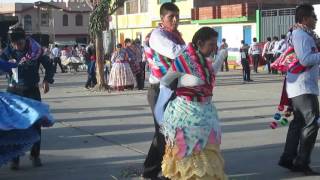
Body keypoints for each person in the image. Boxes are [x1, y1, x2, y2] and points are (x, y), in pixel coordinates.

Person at [159, 27, 227, 180]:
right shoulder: (184, 60)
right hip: (186, 113)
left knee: (206, 151)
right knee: (189, 152)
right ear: (200, 42)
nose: (213, 48)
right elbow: (165, 81)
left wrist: (221, 57)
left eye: (215, 44)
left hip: (206, 113)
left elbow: (209, 76)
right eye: (210, 44)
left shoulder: (204, 62)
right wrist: (161, 106)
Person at [0, 26, 54, 170]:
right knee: (13, 126)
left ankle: (35, 155)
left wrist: (47, 80)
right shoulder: (8, 51)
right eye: (14, 43)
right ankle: (14, 158)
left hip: (31, 92)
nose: (17, 46)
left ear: (25, 39)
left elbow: (49, 65)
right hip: (14, 92)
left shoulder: (36, 50)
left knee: (35, 124)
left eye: (19, 43)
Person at [142, 2, 186, 179]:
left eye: (177, 16)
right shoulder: (158, 35)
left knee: (166, 132)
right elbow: (176, 53)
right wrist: (197, 50)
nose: (175, 20)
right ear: (162, 19)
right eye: (171, 17)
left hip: (172, 88)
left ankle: (151, 170)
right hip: (160, 91)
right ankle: (165, 171)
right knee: (165, 133)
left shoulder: (175, 35)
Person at [278, 4, 320, 175]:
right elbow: (305, 59)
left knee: (299, 123)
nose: (316, 19)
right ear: (304, 19)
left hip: (300, 85)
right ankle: (302, 161)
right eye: (313, 16)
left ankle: (288, 158)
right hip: (302, 86)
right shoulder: (301, 34)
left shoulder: (301, 33)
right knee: (312, 122)